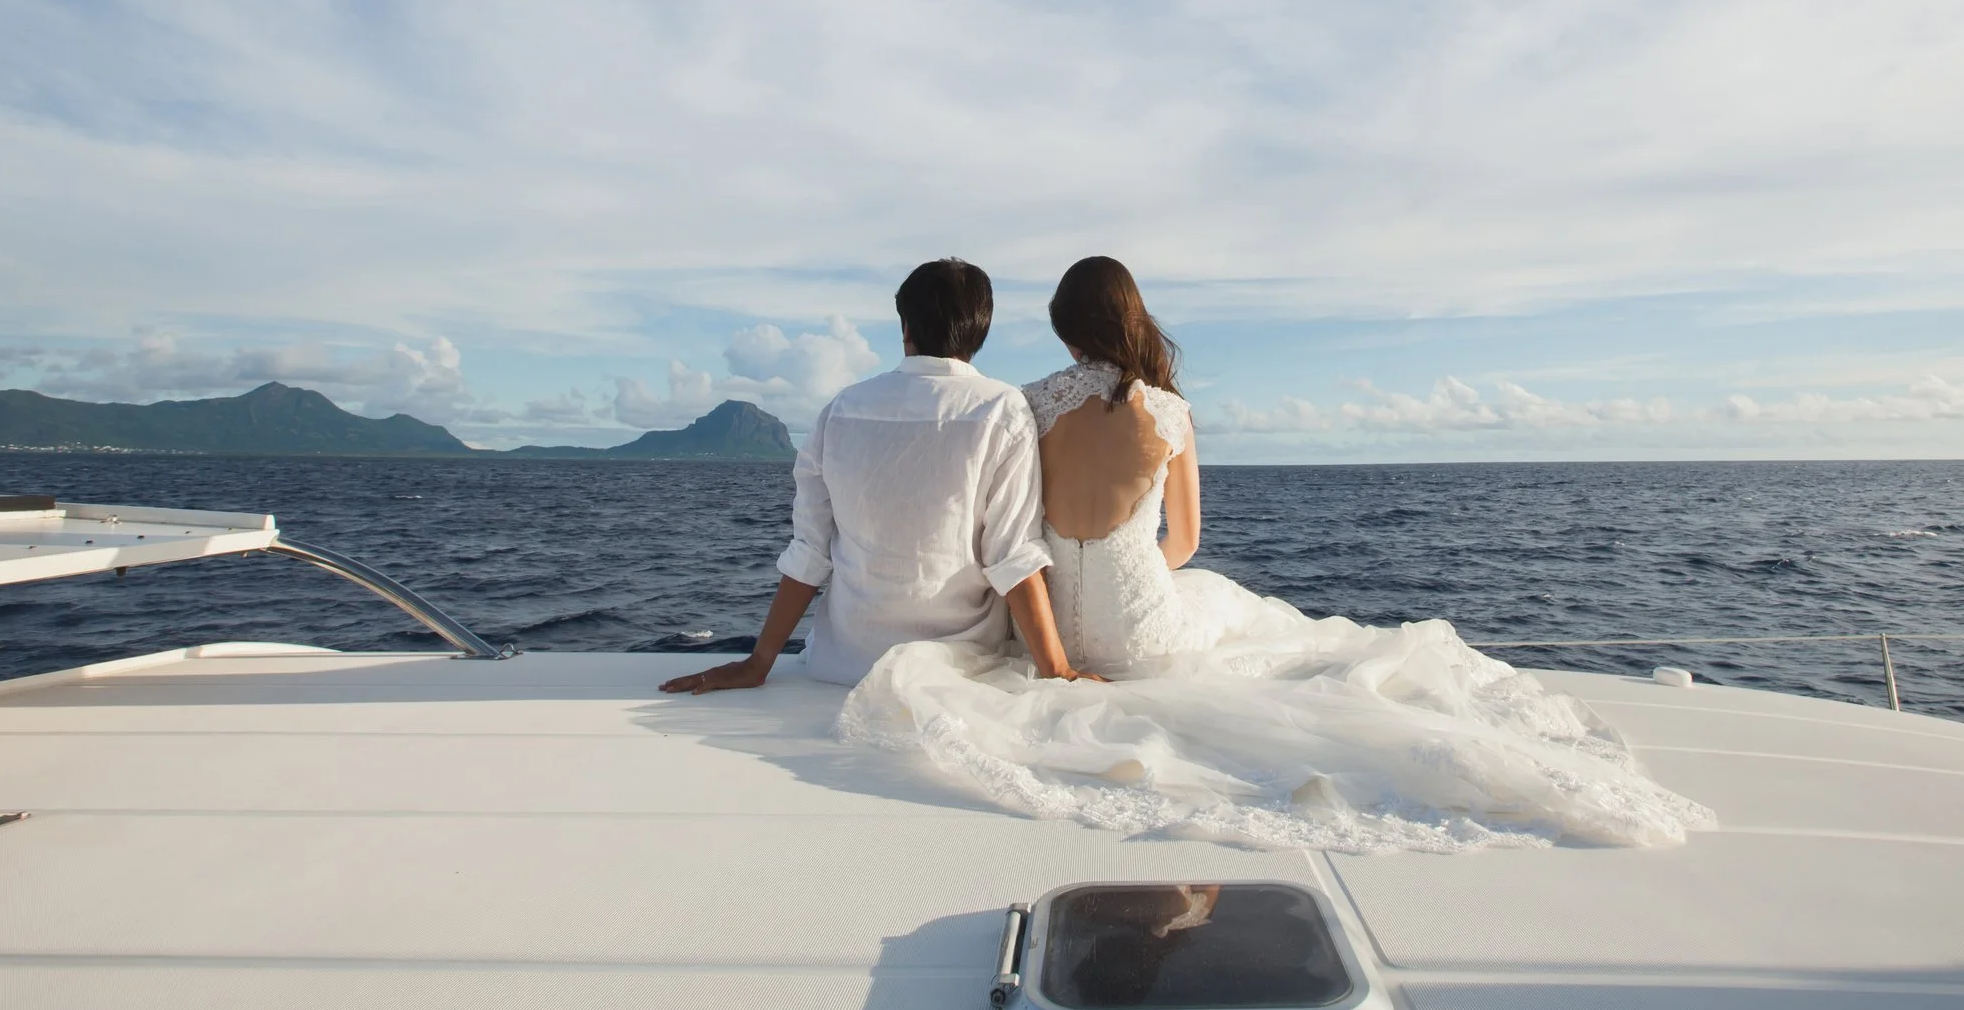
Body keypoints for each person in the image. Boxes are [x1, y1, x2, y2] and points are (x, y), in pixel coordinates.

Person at [839, 255, 1716, 853]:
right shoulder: (1173, 416)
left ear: (1066, 330)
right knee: (1228, 607)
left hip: (1040, 643)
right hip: (1137, 634)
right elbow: (1183, 544)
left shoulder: (1025, 403)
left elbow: (1015, 523)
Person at [659, 257, 1098, 695]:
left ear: (905, 327)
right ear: (979, 332)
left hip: (844, 666)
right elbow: (1012, 556)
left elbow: (810, 551)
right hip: (959, 670)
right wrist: (1059, 673)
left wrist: (759, 662)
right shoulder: (1001, 409)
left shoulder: (842, 409)